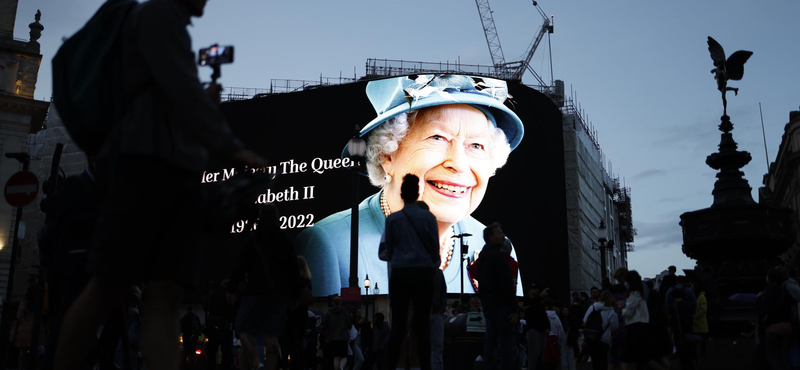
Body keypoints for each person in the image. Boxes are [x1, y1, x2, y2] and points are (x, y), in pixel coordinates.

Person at [53, 0, 268, 369]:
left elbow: (173, 98)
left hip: (171, 176)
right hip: (145, 174)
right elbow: (181, 92)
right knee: (110, 287)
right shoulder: (158, 16)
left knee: (163, 295)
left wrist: (203, 106)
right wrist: (233, 149)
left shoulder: (168, 25)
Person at [296, 74, 525, 297]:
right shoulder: (329, 244)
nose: (459, 164)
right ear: (387, 156)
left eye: (476, 145)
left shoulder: (494, 245)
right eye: (437, 137)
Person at [229, 204, 303, 370]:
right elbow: (293, 269)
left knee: (243, 330)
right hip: (279, 294)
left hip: (255, 291)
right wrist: (295, 295)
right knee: (272, 336)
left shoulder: (253, 238)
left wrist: (231, 287)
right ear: (277, 217)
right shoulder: (285, 239)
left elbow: (240, 264)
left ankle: (256, 361)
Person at [380, 174, 440, 370]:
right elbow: (434, 251)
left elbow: (385, 251)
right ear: (418, 193)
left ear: (402, 194)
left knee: (398, 325)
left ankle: (391, 366)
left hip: (400, 275)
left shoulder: (393, 220)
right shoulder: (429, 218)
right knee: (422, 326)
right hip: (423, 274)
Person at [475, 223, 519, 370]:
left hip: (489, 305)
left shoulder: (482, 256)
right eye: (499, 233)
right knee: (507, 342)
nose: (502, 235)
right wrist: (514, 308)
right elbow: (506, 283)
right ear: (491, 237)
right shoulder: (500, 256)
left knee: (490, 340)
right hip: (502, 305)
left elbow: (480, 281)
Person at [620, 271, 650, 369]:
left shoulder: (633, 294)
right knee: (641, 357)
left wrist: (622, 310)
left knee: (633, 356)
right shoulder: (640, 293)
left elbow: (628, 312)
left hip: (634, 326)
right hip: (642, 325)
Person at [203, 280, 235, 370]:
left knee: (211, 352)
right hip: (226, 327)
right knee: (226, 352)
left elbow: (205, 307)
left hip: (213, 326)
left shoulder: (211, 295)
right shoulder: (230, 295)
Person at [583, 291, 619, 370]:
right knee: (603, 361)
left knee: (594, 360)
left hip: (591, 337)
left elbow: (585, 320)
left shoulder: (592, 307)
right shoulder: (612, 311)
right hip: (604, 338)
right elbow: (614, 327)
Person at [321, 296, 352, 370]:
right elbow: (349, 325)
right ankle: (341, 367)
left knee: (336, 357)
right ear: (341, 303)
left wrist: (326, 336)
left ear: (333, 303)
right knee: (344, 356)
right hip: (344, 337)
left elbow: (324, 326)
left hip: (333, 338)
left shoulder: (329, 313)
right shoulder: (345, 312)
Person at [524, 284, 550, 370]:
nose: (536, 291)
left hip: (542, 331)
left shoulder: (539, 304)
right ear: (529, 291)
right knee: (534, 356)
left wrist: (547, 327)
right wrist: (541, 296)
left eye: (536, 289)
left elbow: (544, 316)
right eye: (533, 289)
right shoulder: (527, 301)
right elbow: (532, 303)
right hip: (533, 330)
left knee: (541, 356)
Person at [542, 300, 564, 370]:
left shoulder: (543, 316)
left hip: (546, 338)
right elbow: (560, 330)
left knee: (546, 359)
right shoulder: (556, 317)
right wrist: (560, 340)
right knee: (554, 359)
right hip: (555, 338)